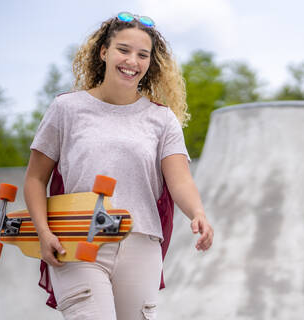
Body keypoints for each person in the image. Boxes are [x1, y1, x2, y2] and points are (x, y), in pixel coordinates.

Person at [24, 11, 214, 320]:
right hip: (76, 240)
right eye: (123, 50)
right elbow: (35, 178)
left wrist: (198, 213)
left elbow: (180, 180)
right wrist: (44, 233)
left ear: (150, 62)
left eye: (142, 55)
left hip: (141, 244)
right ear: (104, 52)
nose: (132, 61)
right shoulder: (66, 109)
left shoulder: (161, 119)